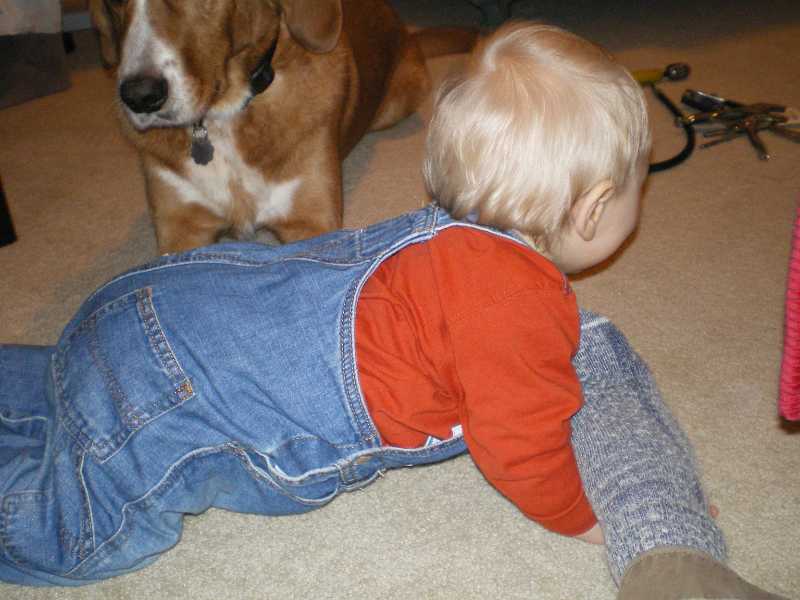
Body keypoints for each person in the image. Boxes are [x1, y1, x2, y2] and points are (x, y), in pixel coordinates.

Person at [0, 22, 786, 599]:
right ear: (593, 209)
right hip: (175, 404)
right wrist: (591, 518)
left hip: (152, 306)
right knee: (79, 530)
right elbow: (521, 450)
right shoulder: (518, 311)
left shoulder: (442, 235)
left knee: (65, 386)